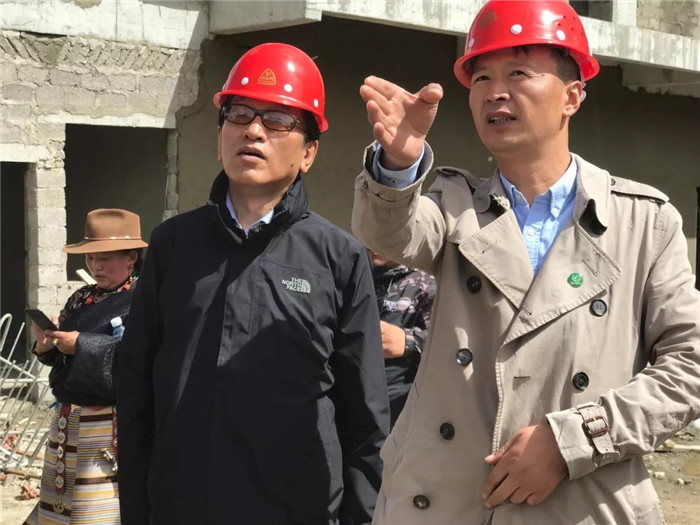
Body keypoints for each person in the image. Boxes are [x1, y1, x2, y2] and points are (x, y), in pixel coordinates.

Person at [352, 0, 700, 523]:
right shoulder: (452, 205)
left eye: (518, 73)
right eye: (482, 77)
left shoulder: (642, 223)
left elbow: (690, 367)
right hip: (446, 504)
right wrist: (399, 165)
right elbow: (388, 234)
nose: (495, 91)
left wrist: (574, 440)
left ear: (572, 96)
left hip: (580, 501)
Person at [117, 43, 389, 525]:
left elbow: (365, 415)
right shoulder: (172, 246)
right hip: (183, 508)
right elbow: (137, 390)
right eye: (239, 114)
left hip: (299, 510)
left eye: (278, 120)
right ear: (220, 135)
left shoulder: (338, 258)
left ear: (308, 153)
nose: (254, 130)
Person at [24, 208, 147, 525]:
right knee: (59, 509)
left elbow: (138, 360)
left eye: (105, 258)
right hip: (66, 424)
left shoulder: (146, 300)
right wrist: (47, 347)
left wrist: (81, 344)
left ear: (131, 257)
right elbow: (64, 360)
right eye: (91, 258)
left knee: (96, 514)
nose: (96, 266)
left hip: (107, 428)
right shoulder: (82, 298)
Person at [368, 249, 435, 428]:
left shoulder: (430, 284)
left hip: (399, 415)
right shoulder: (353, 274)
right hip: (350, 407)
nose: (373, 247)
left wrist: (408, 341)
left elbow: (451, 348)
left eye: (382, 238)